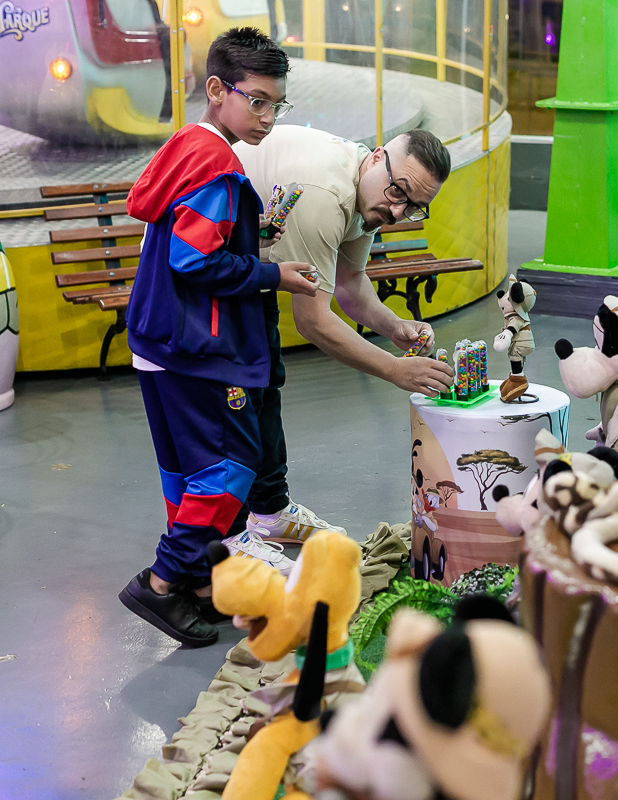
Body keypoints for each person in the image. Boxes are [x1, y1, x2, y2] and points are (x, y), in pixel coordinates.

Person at [117, 28, 319, 648]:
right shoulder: (218, 165)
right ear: (216, 90)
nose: (266, 116)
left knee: (187, 473)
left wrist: (248, 234)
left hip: (161, 341)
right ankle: (159, 582)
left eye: (275, 103)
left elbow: (185, 240)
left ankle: (201, 586)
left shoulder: (186, 146)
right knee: (229, 470)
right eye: (256, 100)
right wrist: (273, 272)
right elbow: (192, 261)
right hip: (199, 348)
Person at [229, 126, 456, 552]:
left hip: (246, 269)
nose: (397, 210)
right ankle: (230, 536)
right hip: (200, 274)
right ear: (374, 158)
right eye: (398, 192)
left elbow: (349, 284)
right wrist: (393, 368)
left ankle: (270, 511)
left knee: (265, 380)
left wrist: (397, 328)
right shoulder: (325, 196)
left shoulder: (371, 196)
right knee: (236, 397)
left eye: (414, 207)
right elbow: (313, 321)